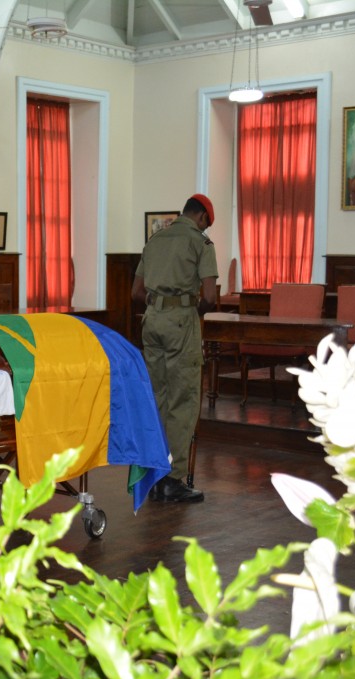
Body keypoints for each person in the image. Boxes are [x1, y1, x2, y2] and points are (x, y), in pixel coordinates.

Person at [131, 194, 218, 503]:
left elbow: (136, 292)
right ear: (202, 217)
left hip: (151, 321)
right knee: (182, 401)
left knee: (157, 398)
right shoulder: (200, 242)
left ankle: (153, 474)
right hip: (182, 324)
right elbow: (210, 297)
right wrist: (191, 310)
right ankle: (172, 479)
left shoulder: (156, 239)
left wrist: (159, 304)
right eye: (206, 223)